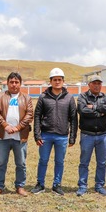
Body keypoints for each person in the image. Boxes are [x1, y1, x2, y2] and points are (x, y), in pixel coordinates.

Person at [31, 68, 78, 196]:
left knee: (59, 161)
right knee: (43, 160)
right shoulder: (43, 97)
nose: (57, 82)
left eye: (59, 80)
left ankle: (57, 185)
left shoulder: (69, 98)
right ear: (50, 81)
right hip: (46, 135)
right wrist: (37, 135)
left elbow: (73, 118)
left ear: (63, 81)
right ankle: (40, 184)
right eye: (55, 80)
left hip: (62, 136)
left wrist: (72, 137)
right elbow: (37, 116)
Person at [0, 72, 33, 197]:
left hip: (20, 137)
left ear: (20, 83)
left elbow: (30, 114)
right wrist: (5, 126)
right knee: (1, 163)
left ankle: (20, 186)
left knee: (21, 163)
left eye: (16, 82)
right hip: (3, 136)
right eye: (11, 82)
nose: (14, 84)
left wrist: (18, 127)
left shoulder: (27, 98)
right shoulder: (0, 96)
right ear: (7, 83)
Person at [75, 74, 106, 196]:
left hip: (103, 135)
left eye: (99, 83)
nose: (97, 86)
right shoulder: (82, 96)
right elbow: (82, 111)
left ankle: (99, 185)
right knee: (84, 162)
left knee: (102, 162)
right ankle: (82, 185)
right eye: (94, 83)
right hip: (87, 135)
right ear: (89, 85)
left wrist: (95, 107)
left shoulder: (105, 97)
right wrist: (100, 112)